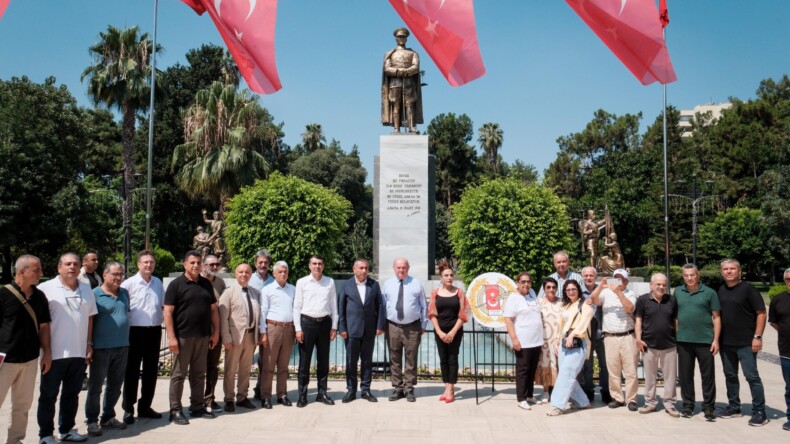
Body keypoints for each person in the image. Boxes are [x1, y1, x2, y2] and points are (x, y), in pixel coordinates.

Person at [37, 253, 98, 443]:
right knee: (48, 396)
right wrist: (45, 352)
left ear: (81, 267)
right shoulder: (45, 289)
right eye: (67, 264)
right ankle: (46, 434)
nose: (72, 267)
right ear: (59, 267)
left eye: (75, 264)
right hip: (54, 354)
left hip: (78, 352)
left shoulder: (87, 289)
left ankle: (67, 429)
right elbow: (40, 323)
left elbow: (90, 317)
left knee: (71, 395)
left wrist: (88, 344)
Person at [164, 250, 220, 425]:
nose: (195, 266)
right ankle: (175, 410)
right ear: (185, 265)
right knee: (179, 375)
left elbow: (213, 309)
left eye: (198, 263)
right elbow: (167, 312)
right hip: (183, 337)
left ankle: (197, 407)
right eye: (192, 263)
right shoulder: (176, 285)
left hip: (203, 337)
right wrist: (171, 337)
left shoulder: (205, 284)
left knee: (198, 374)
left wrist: (216, 331)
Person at [0, 255, 51, 444]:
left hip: (29, 360)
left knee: (22, 406)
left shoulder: (39, 296)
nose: (41, 273)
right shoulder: (3, 295)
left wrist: (47, 353)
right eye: (36, 270)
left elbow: (44, 326)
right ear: (22, 271)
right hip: (4, 360)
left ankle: (15, 440)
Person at [717, 259, 768, 426]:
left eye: (732, 268)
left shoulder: (748, 289)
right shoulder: (721, 290)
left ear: (739, 271)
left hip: (746, 342)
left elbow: (761, 313)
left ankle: (759, 411)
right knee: (730, 375)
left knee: (752, 377)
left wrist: (757, 337)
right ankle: (734, 407)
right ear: (721, 271)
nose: (729, 271)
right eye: (726, 269)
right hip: (726, 342)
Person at [85, 262, 130, 436]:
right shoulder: (94, 295)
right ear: (105, 275)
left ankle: (108, 417)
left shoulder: (124, 293)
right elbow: (89, 321)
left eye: (121, 274)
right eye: (115, 274)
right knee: (96, 387)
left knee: (115, 385)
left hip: (122, 346)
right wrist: (89, 344)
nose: (118, 278)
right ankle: (91, 420)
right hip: (101, 349)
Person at [121, 250, 165, 424]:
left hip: (153, 331)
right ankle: (128, 409)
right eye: (145, 262)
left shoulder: (157, 283)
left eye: (151, 262)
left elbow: (162, 306)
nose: (148, 265)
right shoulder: (128, 284)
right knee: (131, 371)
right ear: (138, 264)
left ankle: (145, 406)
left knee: (151, 371)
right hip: (134, 332)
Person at [674, 263, 720, 421]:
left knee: (707, 376)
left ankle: (709, 407)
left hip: (705, 341)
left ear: (698, 275)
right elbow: (676, 317)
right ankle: (688, 405)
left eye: (692, 275)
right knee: (685, 375)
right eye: (686, 275)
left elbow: (717, 317)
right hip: (683, 341)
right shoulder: (678, 292)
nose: (689, 278)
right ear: (683, 277)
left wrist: (716, 340)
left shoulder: (710, 293)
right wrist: (676, 335)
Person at [589, 268, 638, 411]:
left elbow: (630, 308)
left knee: (631, 370)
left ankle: (631, 399)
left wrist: (618, 292)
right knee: (613, 370)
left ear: (626, 281)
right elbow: (593, 299)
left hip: (628, 335)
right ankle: (617, 397)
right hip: (610, 336)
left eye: (621, 279)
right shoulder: (605, 293)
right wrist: (601, 286)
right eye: (615, 278)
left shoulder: (631, 293)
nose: (618, 282)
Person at [293, 255, 338, 408]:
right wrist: (298, 328)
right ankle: (303, 395)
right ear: (309, 265)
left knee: (323, 361)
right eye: (314, 263)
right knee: (304, 362)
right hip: (307, 323)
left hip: (325, 323)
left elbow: (334, 306)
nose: (317, 266)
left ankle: (322, 393)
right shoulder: (302, 282)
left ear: (323, 266)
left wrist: (334, 326)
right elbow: (297, 307)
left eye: (320, 263)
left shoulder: (329, 282)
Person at [338, 258, 386, 403]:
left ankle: (365, 390)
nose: (364, 271)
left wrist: (380, 326)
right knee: (351, 362)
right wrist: (342, 328)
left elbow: (380, 307)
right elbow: (341, 309)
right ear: (354, 269)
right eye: (361, 268)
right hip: (351, 331)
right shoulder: (346, 285)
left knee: (367, 362)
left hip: (369, 331)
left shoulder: (374, 285)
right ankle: (351, 391)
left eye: (366, 268)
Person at [546, 280, 594, 416]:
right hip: (564, 343)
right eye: (568, 290)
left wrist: (573, 334)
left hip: (577, 344)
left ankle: (557, 405)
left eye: (573, 289)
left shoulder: (585, 306)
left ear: (578, 290)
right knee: (566, 375)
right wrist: (556, 339)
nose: (571, 292)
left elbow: (584, 324)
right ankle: (583, 402)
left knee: (566, 374)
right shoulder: (566, 306)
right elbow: (561, 325)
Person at [634, 273, 679, 417]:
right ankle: (650, 403)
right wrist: (639, 339)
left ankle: (670, 404)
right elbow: (638, 320)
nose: (661, 287)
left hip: (669, 345)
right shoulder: (642, 300)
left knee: (670, 377)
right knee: (650, 376)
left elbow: (675, 321)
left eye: (664, 284)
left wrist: (674, 336)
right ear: (651, 285)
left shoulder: (672, 300)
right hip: (649, 345)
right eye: (658, 284)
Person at [383, 257, 427, 402]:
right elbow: (383, 305)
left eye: (404, 267)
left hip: (412, 327)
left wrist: (423, 325)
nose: (401, 270)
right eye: (398, 267)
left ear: (408, 268)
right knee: (394, 358)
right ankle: (397, 388)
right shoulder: (387, 284)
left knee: (411, 358)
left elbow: (424, 306)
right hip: (392, 326)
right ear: (394, 268)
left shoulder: (416, 283)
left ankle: (409, 388)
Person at [219, 264, 259, 412]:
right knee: (230, 370)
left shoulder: (255, 293)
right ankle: (229, 399)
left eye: (247, 272)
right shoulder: (228, 293)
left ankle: (242, 397)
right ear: (236, 274)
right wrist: (226, 338)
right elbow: (223, 318)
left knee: (245, 369)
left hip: (250, 336)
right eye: (241, 272)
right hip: (234, 338)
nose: (244, 274)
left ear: (251, 274)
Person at [428, 261, 470, 404]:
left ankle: (451, 389)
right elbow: (432, 314)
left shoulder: (459, 293)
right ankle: (446, 387)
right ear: (441, 277)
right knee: (443, 359)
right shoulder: (435, 293)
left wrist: (452, 332)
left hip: (455, 330)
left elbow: (463, 314)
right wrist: (439, 332)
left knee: (452, 359)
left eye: (451, 275)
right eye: (446, 275)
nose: (449, 277)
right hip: (439, 331)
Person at [503, 272, 543, 410]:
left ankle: (530, 395)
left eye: (528, 282)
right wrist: (514, 339)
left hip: (536, 340)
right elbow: (508, 320)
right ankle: (521, 398)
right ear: (517, 283)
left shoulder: (532, 293)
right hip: (523, 341)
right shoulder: (513, 299)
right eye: (523, 282)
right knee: (523, 370)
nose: (526, 284)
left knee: (532, 369)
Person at [259, 261, 296, 408]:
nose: (283, 274)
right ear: (274, 274)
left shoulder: (293, 289)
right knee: (268, 365)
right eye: (280, 271)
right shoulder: (267, 290)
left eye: (285, 271)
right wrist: (263, 332)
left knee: (283, 366)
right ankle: (265, 396)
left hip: (288, 329)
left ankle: (282, 395)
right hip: (272, 328)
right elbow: (263, 312)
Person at [381, 27, 423, 134]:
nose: (401, 38)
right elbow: (386, 69)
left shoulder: (413, 53)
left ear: (406, 38)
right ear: (395, 38)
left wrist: (406, 71)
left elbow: (415, 67)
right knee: (396, 105)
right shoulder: (390, 54)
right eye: (399, 37)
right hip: (395, 83)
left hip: (409, 83)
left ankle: (411, 126)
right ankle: (396, 128)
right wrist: (398, 71)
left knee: (409, 105)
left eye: (403, 37)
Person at [580, 266, 610, 404]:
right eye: (586, 276)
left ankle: (606, 390)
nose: (588, 278)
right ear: (582, 277)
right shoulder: (578, 292)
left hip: (603, 333)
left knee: (605, 364)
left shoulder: (605, 290)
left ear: (595, 277)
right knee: (588, 364)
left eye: (591, 275)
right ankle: (589, 390)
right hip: (587, 334)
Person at [201, 254, 226, 414]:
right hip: (199, 332)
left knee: (212, 367)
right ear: (204, 266)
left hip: (215, 332)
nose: (215, 267)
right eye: (211, 265)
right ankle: (196, 401)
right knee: (197, 369)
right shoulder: (198, 282)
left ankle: (209, 398)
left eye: (217, 264)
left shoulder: (220, 283)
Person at [249, 249, 274, 401]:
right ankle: (240, 394)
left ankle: (260, 388)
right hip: (250, 325)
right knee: (245, 360)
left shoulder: (273, 280)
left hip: (267, 326)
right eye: (260, 262)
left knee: (264, 361)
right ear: (255, 263)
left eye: (265, 262)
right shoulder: (248, 278)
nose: (263, 265)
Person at [768, 268, 790, 431]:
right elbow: (775, 323)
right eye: (788, 279)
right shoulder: (778, 300)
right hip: (786, 350)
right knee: (789, 386)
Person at [535, 278, 562, 404]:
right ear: (544, 289)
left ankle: (558, 392)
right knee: (545, 364)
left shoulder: (562, 303)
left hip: (559, 339)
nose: (551, 289)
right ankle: (545, 391)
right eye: (548, 287)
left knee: (559, 365)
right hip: (544, 339)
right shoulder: (539, 303)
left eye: (553, 287)